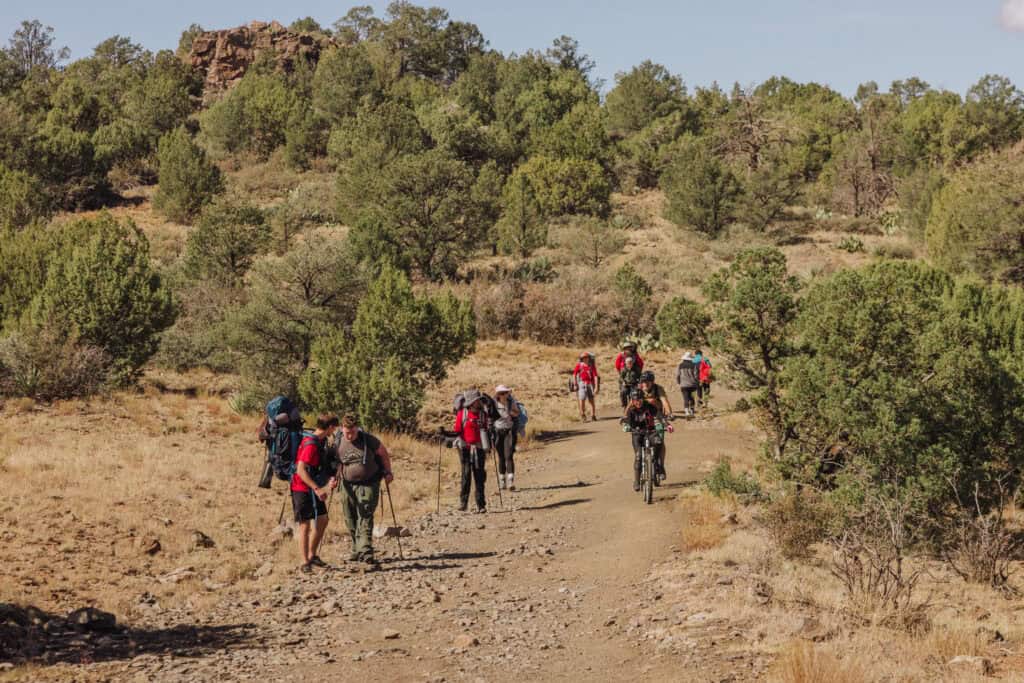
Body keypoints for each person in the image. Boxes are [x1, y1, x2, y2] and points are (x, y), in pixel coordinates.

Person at [335, 414, 394, 565]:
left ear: (357, 429)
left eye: (353, 432)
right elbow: (336, 462)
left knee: (365, 514)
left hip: (369, 483)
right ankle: (356, 548)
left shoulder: (368, 440)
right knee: (350, 517)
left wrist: (388, 472)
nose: (350, 435)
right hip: (346, 484)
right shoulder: (338, 440)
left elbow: (383, 453)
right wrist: (333, 477)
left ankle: (366, 550)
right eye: (347, 432)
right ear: (342, 428)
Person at [291, 413, 339, 573]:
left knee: (323, 519)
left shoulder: (320, 441)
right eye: (334, 428)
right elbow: (300, 470)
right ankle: (305, 562)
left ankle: (312, 555)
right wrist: (317, 489)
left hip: (311, 489)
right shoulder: (311, 444)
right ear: (331, 427)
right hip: (302, 489)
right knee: (304, 525)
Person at [453, 388, 489, 512]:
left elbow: (486, 429)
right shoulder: (462, 414)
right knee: (466, 475)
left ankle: (481, 505)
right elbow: (457, 430)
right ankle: (463, 503)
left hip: (479, 448)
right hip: (465, 449)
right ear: (471, 402)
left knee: (479, 476)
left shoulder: (483, 414)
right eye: (477, 400)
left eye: (479, 400)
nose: (479, 402)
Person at [492, 385, 521, 491]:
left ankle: (511, 482)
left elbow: (517, 413)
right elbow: (490, 417)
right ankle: (502, 481)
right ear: (498, 394)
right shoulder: (494, 404)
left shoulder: (511, 402)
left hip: (509, 432)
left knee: (509, 456)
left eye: (505, 392)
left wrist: (511, 413)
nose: (504, 395)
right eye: (502, 393)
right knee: (501, 457)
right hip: (498, 433)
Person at [572, 352, 600, 422]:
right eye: (584, 358)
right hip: (582, 383)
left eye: (586, 357)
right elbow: (574, 374)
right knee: (582, 400)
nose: (585, 359)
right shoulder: (579, 365)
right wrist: (575, 384)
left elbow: (595, 376)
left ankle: (593, 415)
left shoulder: (591, 366)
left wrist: (596, 387)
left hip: (590, 383)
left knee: (591, 400)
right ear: (582, 359)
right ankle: (583, 415)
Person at [676, 351, 701, 417]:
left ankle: (687, 412)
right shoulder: (694, 365)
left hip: (684, 385)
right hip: (692, 385)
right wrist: (697, 382)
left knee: (685, 398)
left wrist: (678, 382)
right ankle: (692, 411)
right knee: (692, 398)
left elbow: (678, 375)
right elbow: (696, 375)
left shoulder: (680, 365)